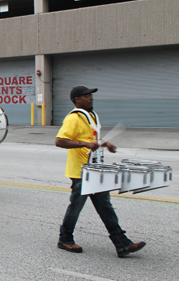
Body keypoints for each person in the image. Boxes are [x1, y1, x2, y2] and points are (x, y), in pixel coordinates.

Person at [55, 85, 145, 258]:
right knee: (76, 207)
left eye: (91, 95)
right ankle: (65, 238)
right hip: (81, 172)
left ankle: (122, 243)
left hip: (95, 170)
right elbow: (59, 141)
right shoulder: (73, 118)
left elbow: (90, 139)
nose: (91, 98)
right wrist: (84, 144)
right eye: (86, 96)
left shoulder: (92, 116)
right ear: (77, 100)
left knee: (105, 206)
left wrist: (104, 143)